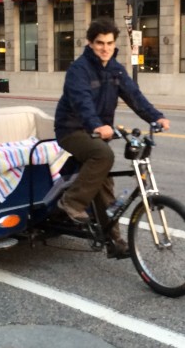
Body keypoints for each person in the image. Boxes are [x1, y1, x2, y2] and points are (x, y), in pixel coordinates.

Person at [54, 18, 170, 259]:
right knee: (102, 155)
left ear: (115, 43)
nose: (105, 48)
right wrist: (96, 125)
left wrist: (155, 117)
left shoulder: (115, 69)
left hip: (98, 131)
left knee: (104, 185)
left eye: (109, 43)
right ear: (90, 43)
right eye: (99, 43)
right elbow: (82, 102)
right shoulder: (79, 70)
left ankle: (114, 241)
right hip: (72, 130)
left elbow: (134, 96)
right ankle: (72, 202)